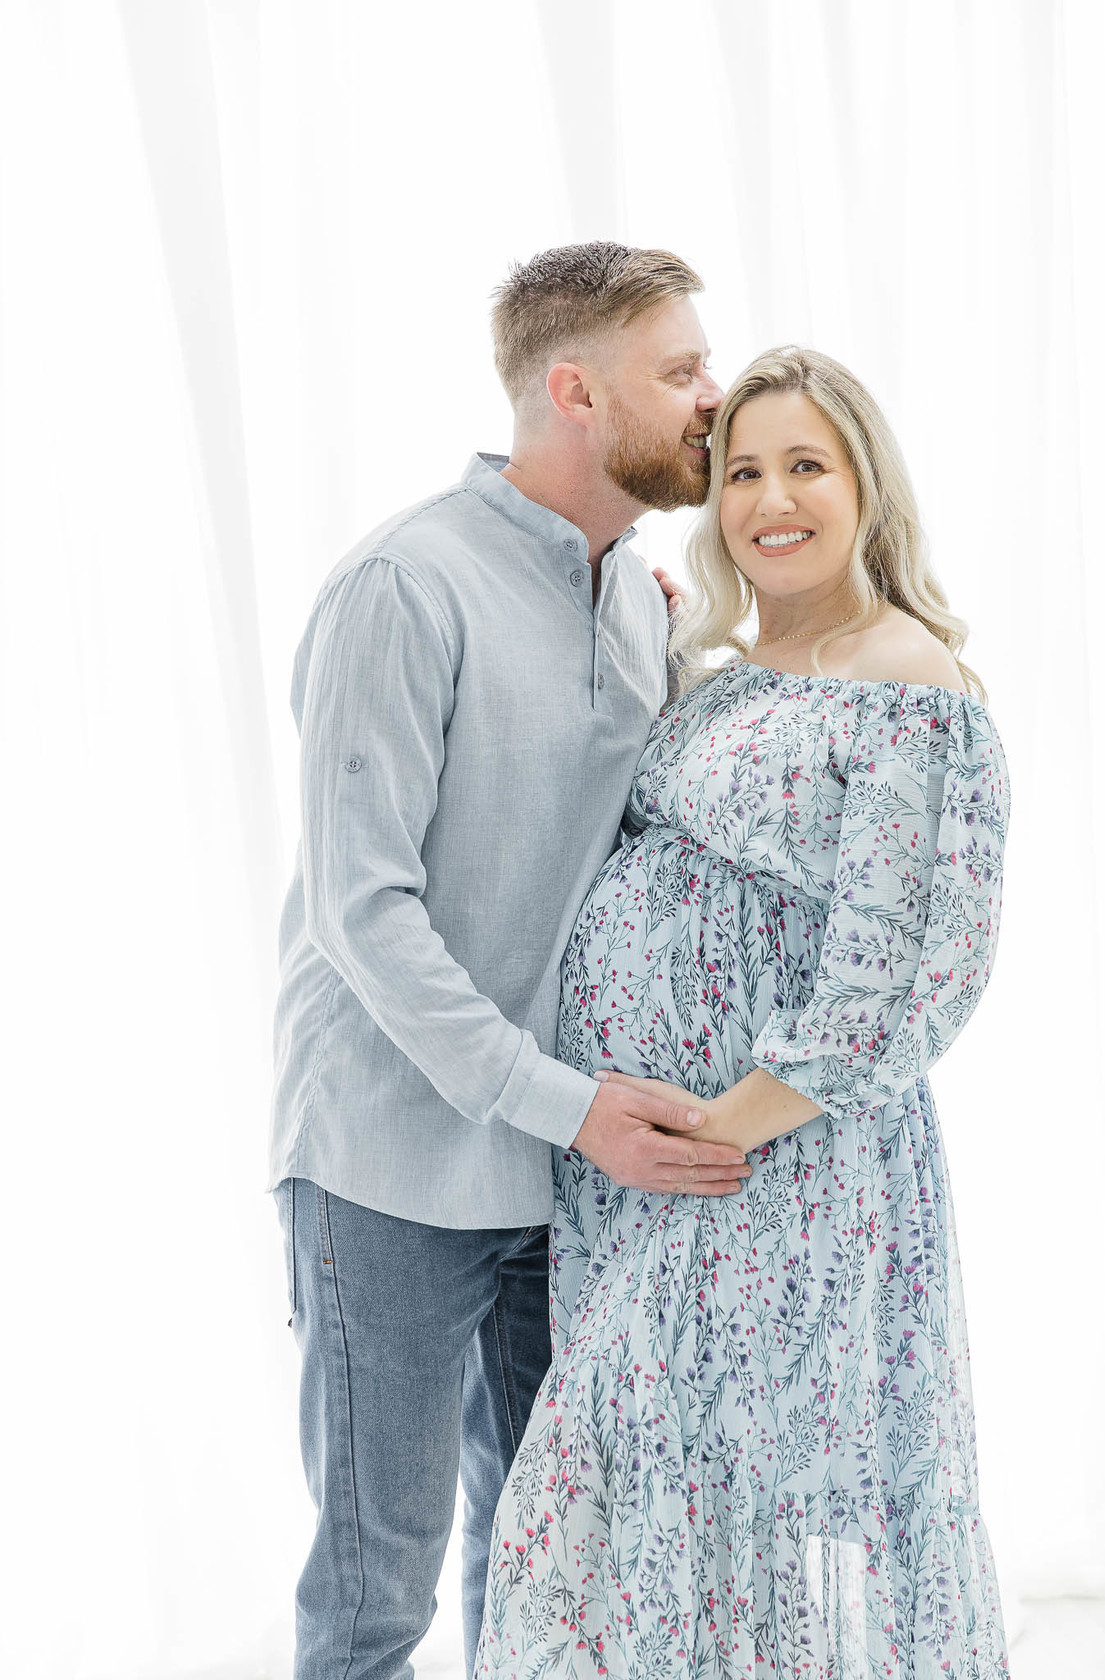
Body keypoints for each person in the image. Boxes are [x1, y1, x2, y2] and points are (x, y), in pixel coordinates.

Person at [474, 346, 1013, 1678]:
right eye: (744, 471)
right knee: (662, 1506)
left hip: (774, 1170)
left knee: (715, 1503)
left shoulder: (910, 680)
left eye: (806, 465)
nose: (772, 498)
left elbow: (909, 973)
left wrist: (719, 1131)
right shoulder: (725, 674)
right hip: (649, 1174)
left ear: (867, 486)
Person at [266, 241, 753, 1680]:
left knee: (545, 1561)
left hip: (560, 1172)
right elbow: (364, 912)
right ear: (577, 392)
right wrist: (570, 1106)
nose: (713, 397)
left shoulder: (633, 598)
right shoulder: (404, 585)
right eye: (681, 370)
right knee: (377, 1596)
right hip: (390, 1168)